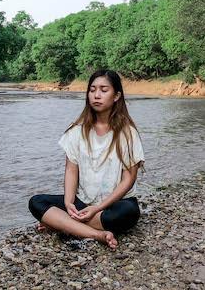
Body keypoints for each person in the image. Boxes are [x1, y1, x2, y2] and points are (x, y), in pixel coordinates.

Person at [28, 69, 145, 249]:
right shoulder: (77, 131)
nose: (96, 95)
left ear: (116, 96)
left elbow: (128, 179)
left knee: (128, 213)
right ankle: (96, 234)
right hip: (83, 201)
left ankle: (64, 224)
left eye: (103, 90)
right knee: (36, 202)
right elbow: (71, 170)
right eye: (92, 90)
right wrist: (68, 203)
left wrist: (97, 208)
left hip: (114, 203)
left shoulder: (128, 133)